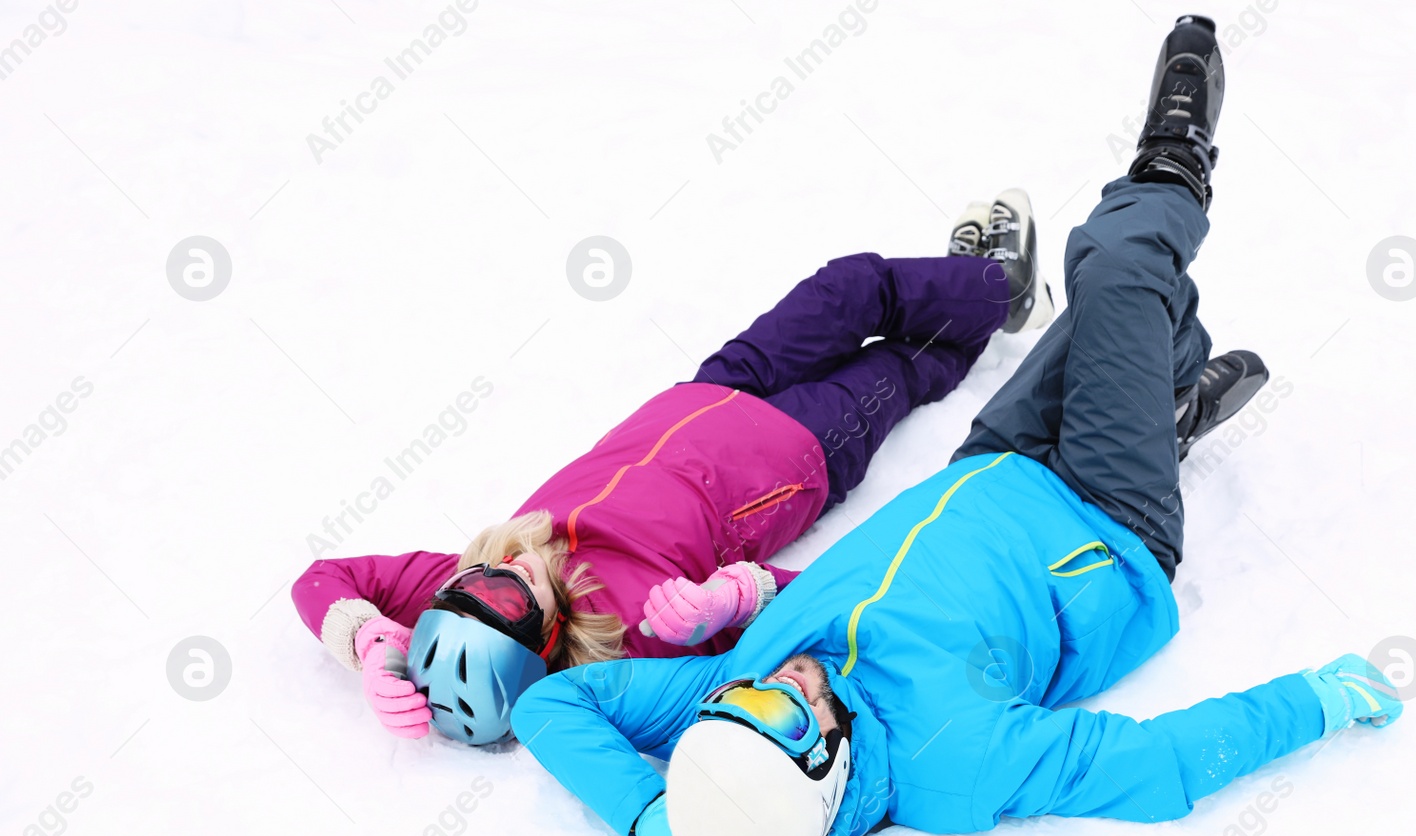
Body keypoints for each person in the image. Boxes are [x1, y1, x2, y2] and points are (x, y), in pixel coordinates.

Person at [512, 15, 1404, 836]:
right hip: (1109, 521)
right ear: (824, 770)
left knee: (1136, 311)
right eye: (776, 713)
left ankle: (1166, 400)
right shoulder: (960, 763)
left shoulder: (736, 685)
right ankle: (1176, 158)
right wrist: (1316, 702)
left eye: (730, 704)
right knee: (1122, 265)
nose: (768, 681)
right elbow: (1158, 765)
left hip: (990, 464)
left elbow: (550, 706)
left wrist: (654, 820)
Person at [290, 189, 1053, 745]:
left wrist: (367, 641)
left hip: (713, 389)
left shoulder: (479, 570)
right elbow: (819, 608)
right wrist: (735, 599)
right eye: (510, 604)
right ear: (543, 645)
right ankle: (987, 297)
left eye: (475, 585)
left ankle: (988, 286)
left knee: (848, 286)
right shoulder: (630, 632)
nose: (508, 576)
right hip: (803, 450)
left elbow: (323, 577)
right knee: (903, 364)